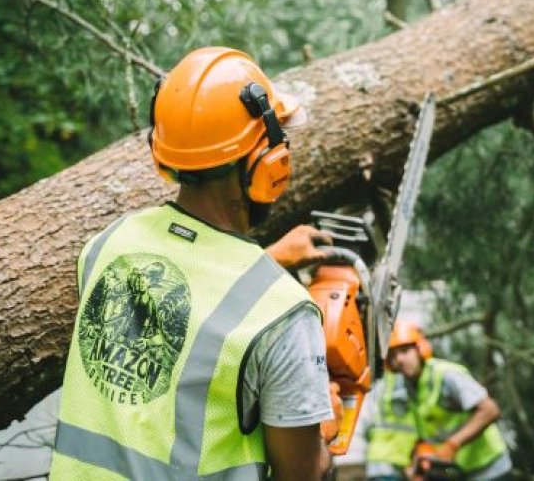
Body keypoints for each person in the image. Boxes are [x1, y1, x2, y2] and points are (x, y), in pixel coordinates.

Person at [50, 47, 341, 480]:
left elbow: (177, 321)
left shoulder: (106, 246)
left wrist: (269, 261)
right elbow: (302, 475)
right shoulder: (282, 313)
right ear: (263, 161)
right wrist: (321, 431)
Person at [365, 321, 512, 481]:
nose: (399, 359)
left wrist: (452, 445)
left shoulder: (446, 375)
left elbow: (490, 410)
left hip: (488, 467)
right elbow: (427, 431)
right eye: (393, 355)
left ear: (420, 349)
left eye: (405, 351)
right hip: (460, 470)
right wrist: (416, 464)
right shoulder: (410, 386)